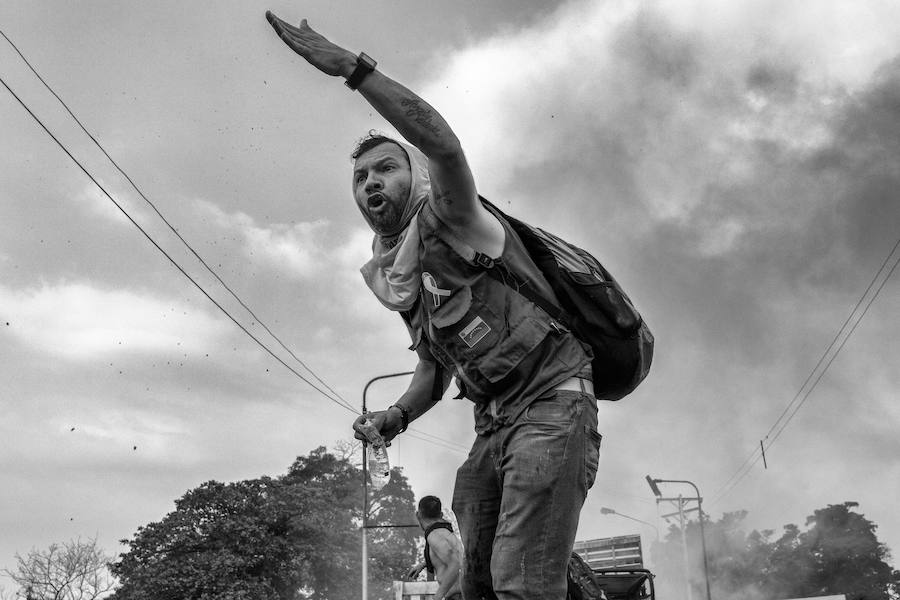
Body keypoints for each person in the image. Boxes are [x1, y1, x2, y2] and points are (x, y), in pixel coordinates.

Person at [266, 12, 603, 600]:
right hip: (493, 425)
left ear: (417, 179)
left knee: (520, 584)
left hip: (552, 405)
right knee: (470, 583)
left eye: (387, 168)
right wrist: (390, 419)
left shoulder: (455, 218)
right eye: (360, 177)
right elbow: (433, 369)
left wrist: (353, 69)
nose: (371, 182)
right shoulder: (402, 276)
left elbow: (443, 145)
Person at [406, 496, 463, 600]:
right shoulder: (444, 531)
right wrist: (424, 564)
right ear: (440, 515)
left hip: (457, 595)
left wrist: (437, 597)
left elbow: (455, 564)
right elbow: (452, 556)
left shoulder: (434, 535)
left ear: (418, 515)